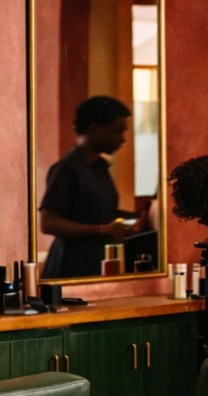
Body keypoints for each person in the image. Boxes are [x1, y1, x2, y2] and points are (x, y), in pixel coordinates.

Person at [40, 94, 144, 279]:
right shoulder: (66, 169)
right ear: (95, 128)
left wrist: (142, 217)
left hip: (96, 262)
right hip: (69, 266)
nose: (123, 139)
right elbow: (48, 224)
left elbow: (103, 214)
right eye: (117, 131)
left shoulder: (101, 168)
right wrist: (102, 230)